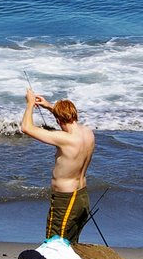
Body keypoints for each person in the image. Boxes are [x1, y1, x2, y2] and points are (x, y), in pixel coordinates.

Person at [21, 89, 96, 244]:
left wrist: (30, 104)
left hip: (66, 200)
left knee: (54, 244)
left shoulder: (65, 139)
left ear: (59, 120)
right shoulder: (88, 133)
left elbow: (26, 128)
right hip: (82, 197)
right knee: (71, 244)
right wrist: (49, 106)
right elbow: (64, 119)